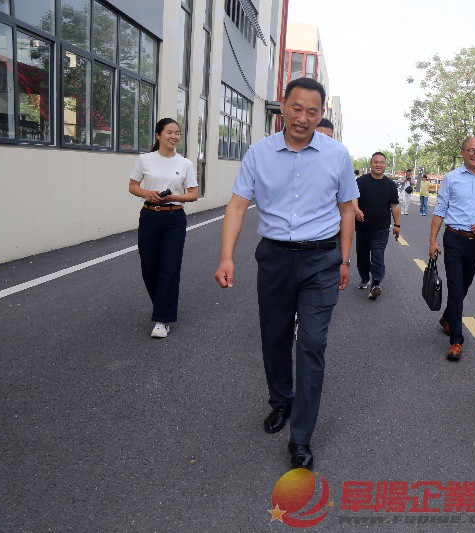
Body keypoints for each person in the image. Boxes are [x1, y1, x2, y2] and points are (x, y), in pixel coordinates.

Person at [213, 77, 359, 470]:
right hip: (275, 259)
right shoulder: (259, 153)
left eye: (312, 111)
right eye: (297, 108)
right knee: (275, 337)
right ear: (283, 107)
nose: (303, 118)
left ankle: (301, 437)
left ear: (320, 114)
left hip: (321, 262)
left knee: (311, 344)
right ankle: (281, 401)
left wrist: (344, 260)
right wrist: (227, 257)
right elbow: (237, 205)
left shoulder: (337, 155)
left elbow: (347, 209)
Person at [429, 137, 475, 360]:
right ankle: (456, 340)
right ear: (463, 153)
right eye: (471, 150)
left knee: (464, 287)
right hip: (453, 238)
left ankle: (447, 317)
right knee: (455, 288)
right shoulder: (451, 178)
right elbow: (440, 209)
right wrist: (432, 240)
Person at [128, 118, 198, 338]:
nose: (174, 136)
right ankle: (161, 305)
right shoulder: (145, 159)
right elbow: (133, 186)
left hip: (174, 219)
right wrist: (148, 194)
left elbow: (193, 194)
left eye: (177, 133)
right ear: (158, 135)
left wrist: (171, 197)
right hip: (149, 216)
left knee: (169, 268)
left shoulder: (185, 163)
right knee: (149, 268)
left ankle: (162, 319)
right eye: (169, 132)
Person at [354, 152, 401, 299]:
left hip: (381, 229)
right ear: (371, 164)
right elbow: (353, 199)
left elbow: (394, 205)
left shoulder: (390, 185)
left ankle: (376, 283)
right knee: (362, 256)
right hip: (362, 228)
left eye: (382, 162)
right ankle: (364, 278)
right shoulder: (361, 182)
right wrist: (357, 210)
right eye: (376, 162)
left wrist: (397, 224)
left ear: (385, 165)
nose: (379, 165)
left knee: (377, 255)